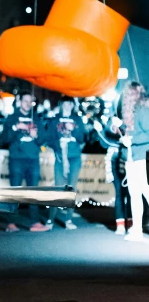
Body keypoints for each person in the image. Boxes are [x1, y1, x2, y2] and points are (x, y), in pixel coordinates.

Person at [2, 93, 50, 232]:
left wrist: (37, 136)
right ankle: (11, 223)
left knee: (33, 191)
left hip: (33, 159)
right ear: (20, 101)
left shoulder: (37, 118)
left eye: (31, 101)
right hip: (17, 159)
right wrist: (15, 128)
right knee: (14, 191)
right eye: (26, 100)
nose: (28, 104)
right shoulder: (12, 118)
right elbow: (4, 139)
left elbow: (42, 140)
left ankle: (34, 222)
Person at [45, 96, 86, 229]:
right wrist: (58, 146)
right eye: (65, 103)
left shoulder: (77, 119)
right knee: (58, 187)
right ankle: (50, 219)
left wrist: (73, 129)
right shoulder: (55, 119)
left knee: (71, 188)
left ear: (72, 105)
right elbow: (49, 138)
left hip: (74, 158)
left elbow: (82, 138)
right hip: (60, 157)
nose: (68, 105)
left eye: (70, 103)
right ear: (61, 104)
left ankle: (68, 220)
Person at [120, 81, 149, 242]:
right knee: (135, 195)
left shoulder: (143, 111)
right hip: (132, 159)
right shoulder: (131, 112)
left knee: (146, 193)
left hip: (143, 158)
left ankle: (137, 229)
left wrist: (132, 140)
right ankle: (136, 229)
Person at [94, 116, 131, 235]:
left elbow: (128, 139)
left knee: (131, 192)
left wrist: (122, 127)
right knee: (119, 192)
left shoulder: (129, 120)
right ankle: (120, 225)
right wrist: (100, 130)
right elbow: (105, 143)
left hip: (129, 158)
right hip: (114, 160)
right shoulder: (111, 121)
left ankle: (131, 224)